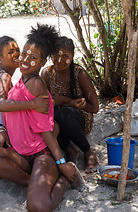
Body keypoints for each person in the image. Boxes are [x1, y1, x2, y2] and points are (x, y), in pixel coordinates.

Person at [0, 24, 85, 212]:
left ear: (43, 62)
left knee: (37, 206)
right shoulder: (21, 78)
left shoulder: (35, 84)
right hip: (20, 154)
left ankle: (64, 178)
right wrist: (2, 128)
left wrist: (61, 163)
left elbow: (46, 131)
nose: (25, 59)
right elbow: (5, 108)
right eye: (24, 53)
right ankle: (31, 182)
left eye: (33, 57)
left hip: (41, 154)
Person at [41, 36, 100, 174]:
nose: (59, 60)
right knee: (47, 118)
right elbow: (46, 104)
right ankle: (69, 149)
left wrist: (77, 105)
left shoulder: (80, 74)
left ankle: (88, 152)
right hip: (56, 117)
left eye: (65, 56)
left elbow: (95, 108)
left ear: (73, 56)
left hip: (78, 118)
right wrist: (67, 101)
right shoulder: (46, 73)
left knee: (64, 114)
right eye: (55, 55)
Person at [0, 36, 49, 147]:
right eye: (11, 52)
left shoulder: (5, 77)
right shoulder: (4, 77)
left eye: (17, 50)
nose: (16, 54)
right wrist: (33, 104)